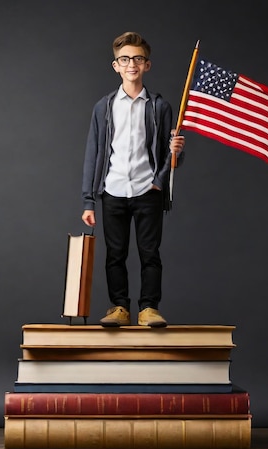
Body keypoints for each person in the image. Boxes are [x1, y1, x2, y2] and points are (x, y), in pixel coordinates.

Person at [81, 31, 185, 328]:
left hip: (147, 190)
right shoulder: (104, 107)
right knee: (115, 254)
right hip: (112, 190)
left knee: (149, 253)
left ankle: (149, 308)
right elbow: (93, 152)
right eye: (124, 59)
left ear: (147, 65)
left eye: (137, 59)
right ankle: (119, 307)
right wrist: (89, 199)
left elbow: (171, 157)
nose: (131, 64)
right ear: (116, 66)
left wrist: (164, 173)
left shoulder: (159, 107)